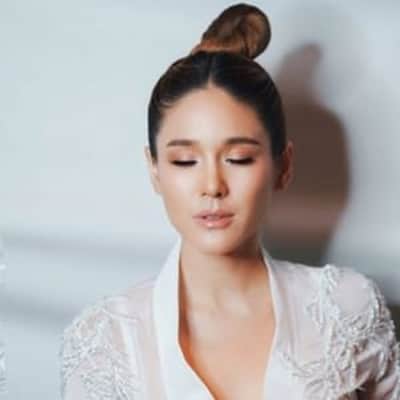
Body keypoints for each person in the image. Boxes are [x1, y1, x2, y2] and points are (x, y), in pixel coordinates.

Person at [59, 3, 400, 399]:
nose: (212, 186)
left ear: (283, 166)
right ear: (154, 170)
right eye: (184, 161)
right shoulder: (105, 341)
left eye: (238, 158)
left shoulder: (349, 309)